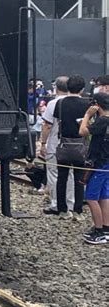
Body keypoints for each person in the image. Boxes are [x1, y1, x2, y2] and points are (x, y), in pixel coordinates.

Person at [53, 75, 89, 220]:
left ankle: (62, 210)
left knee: (62, 178)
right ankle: (78, 210)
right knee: (79, 179)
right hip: (80, 144)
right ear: (82, 89)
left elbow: (56, 121)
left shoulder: (60, 104)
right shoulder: (86, 104)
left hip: (63, 144)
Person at [79, 92, 109, 244]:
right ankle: (106, 228)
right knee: (104, 196)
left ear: (97, 105)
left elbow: (83, 131)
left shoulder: (103, 120)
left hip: (99, 163)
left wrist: (87, 115)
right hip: (106, 162)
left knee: (91, 198)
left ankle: (99, 231)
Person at [40, 76, 73, 215]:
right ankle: (70, 203)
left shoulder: (53, 103)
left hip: (55, 144)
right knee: (70, 174)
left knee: (54, 174)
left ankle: (55, 203)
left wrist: (42, 143)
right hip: (73, 145)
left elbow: (47, 125)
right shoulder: (77, 102)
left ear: (56, 87)